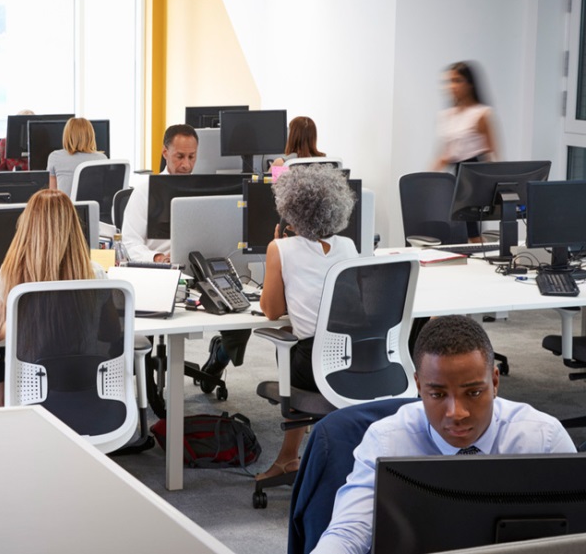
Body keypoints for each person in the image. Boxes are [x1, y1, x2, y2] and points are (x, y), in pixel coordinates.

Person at [311, 315, 575, 554]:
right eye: (437, 394)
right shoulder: (387, 440)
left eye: (473, 393)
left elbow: (577, 536)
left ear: (494, 382)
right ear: (418, 386)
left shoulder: (544, 439)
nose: (456, 413)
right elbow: (348, 532)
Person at [120, 123, 251, 386]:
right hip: (160, 275)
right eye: (180, 156)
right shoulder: (146, 189)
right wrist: (157, 259)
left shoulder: (203, 189)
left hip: (199, 271)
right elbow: (130, 240)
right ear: (165, 153)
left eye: (192, 157)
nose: (186, 164)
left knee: (242, 317)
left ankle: (219, 358)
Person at [257, 164, 359, 483]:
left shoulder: (281, 248)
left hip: (314, 365)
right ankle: (290, 456)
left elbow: (271, 310)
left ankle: (289, 456)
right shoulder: (349, 247)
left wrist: (274, 255)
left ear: (290, 209)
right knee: (297, 337)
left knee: (288, 339)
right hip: (353, 359)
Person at [0, 189, 106, 406]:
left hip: (31, 392)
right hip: (88, 387)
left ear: (27, 227)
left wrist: (15, 324)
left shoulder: (12, 274)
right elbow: (110, 331)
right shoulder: (96, 273)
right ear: (74, 226)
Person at [431, 61, 498, 242]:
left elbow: (492, 154)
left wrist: (493, 190)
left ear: (470, 84)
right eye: (448, 81)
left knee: (472, 235)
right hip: (453, 177)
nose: (451, 86)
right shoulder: (447, 115)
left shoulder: (481, 113)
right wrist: (428, 179)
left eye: (457, 80)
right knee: (447, 229)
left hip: (473, 178)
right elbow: (445, 153)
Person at [47, 117, 107, 195]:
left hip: (66, 206)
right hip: (92, 206)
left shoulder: (55, 157)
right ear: (91, 135)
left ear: (66, 135)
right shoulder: (102, 158)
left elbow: (53, 193)